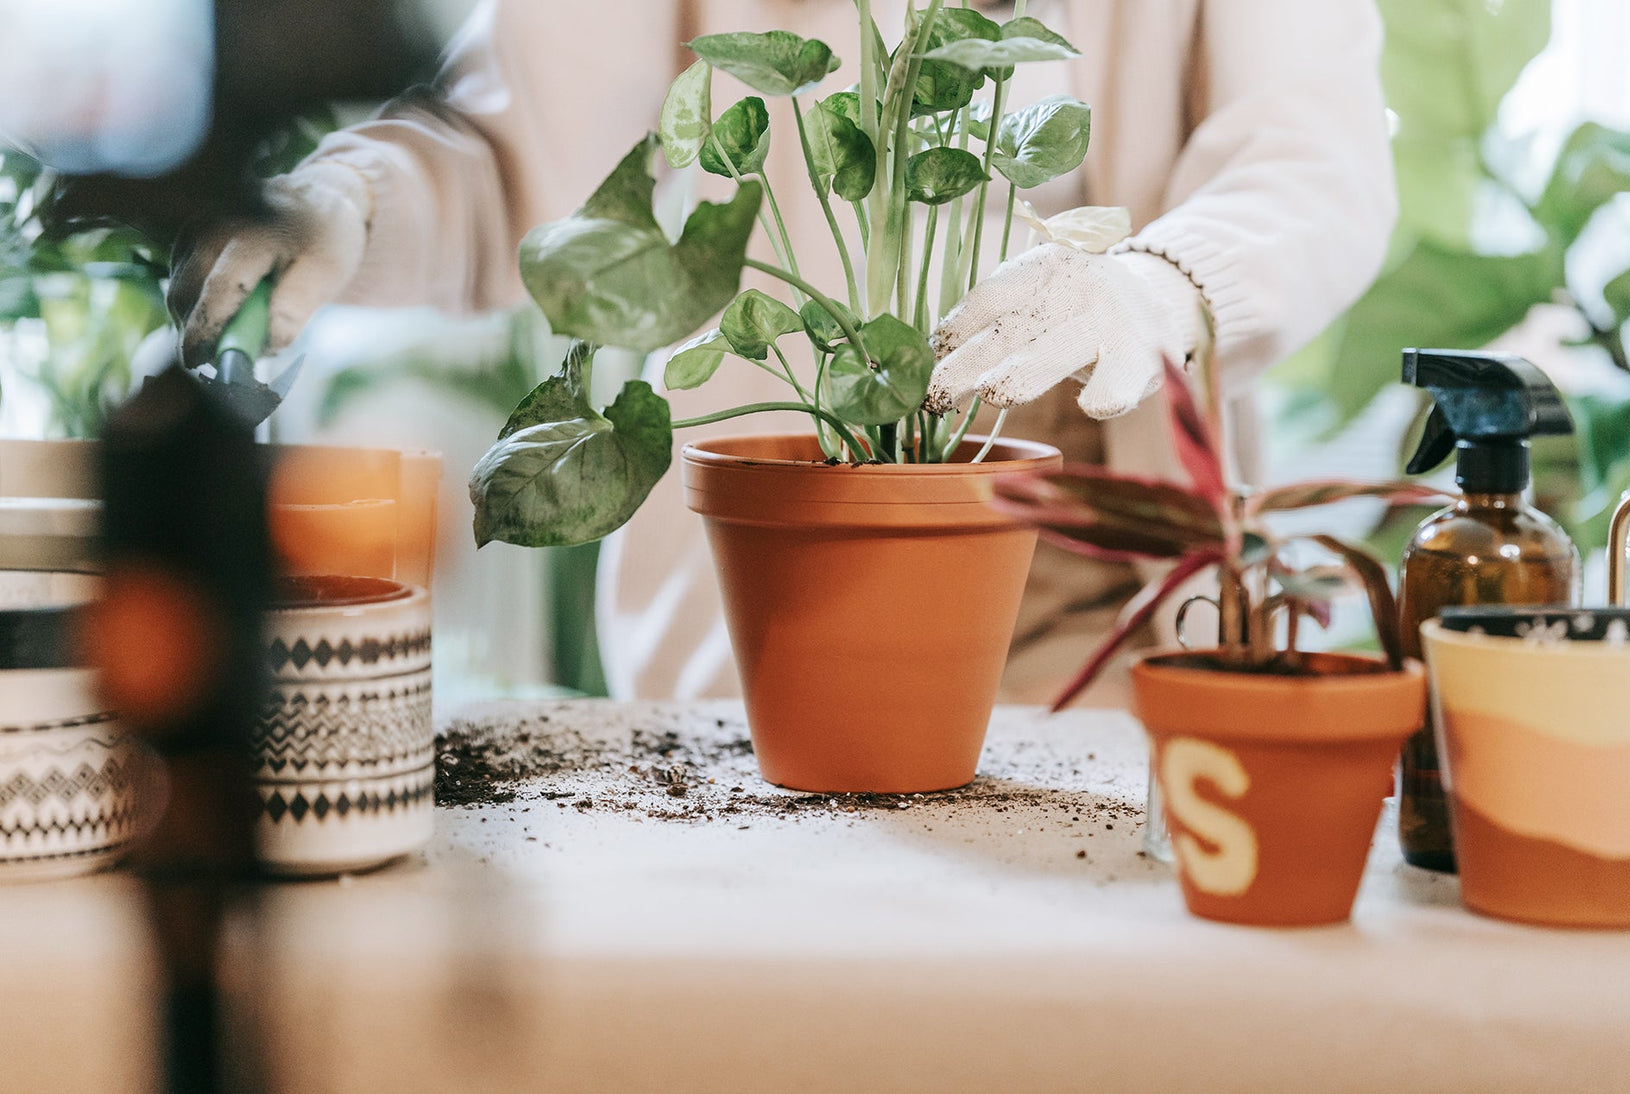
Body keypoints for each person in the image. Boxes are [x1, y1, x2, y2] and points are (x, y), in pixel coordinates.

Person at [168, 0, 1395, 704]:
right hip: (763, 616)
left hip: (1094, 609)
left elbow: (1310, 159)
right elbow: (517, 159)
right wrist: (351, 208)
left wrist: (1154, 288)